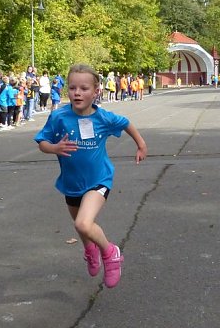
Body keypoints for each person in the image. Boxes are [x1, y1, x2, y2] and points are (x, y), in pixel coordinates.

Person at [34, 64, 147, 288]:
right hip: (71, 183)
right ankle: (90, 249)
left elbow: (126, 123)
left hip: (99, 180)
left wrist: (141, 145)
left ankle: (110, 252)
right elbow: (42, 142)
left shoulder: (103, 117)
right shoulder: (58, 117)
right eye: (72, 88)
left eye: (84, 88)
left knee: (84, 224)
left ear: (96, 91)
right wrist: (54, 148)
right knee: (81, 227)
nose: (77, 93)